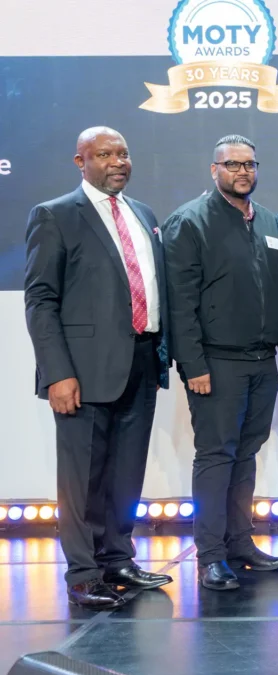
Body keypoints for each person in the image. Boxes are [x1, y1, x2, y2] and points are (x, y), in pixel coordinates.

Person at [24, 127, 173, 610]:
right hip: (82, 372)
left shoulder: (143, 214)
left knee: (126, 474)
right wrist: (57, 372)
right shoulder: (55, 215)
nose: (118, 162)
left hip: (141, 362)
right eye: (105, 154)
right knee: (82, 479)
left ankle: (117, 559)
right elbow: (41, 301)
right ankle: (84, 574)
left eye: (123, 153)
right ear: (80, 161)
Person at [163, 135, 278, 591]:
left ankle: (240, 543)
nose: (243, 172)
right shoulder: (189, 222)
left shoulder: (270, 222)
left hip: (262, 363)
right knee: (216, 456)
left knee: (247, 453)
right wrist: (193, 365)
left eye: (249, 164)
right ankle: (210, 556)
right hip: (216, 364)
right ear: (214, 169)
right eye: (233, 164)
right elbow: (180, 303)